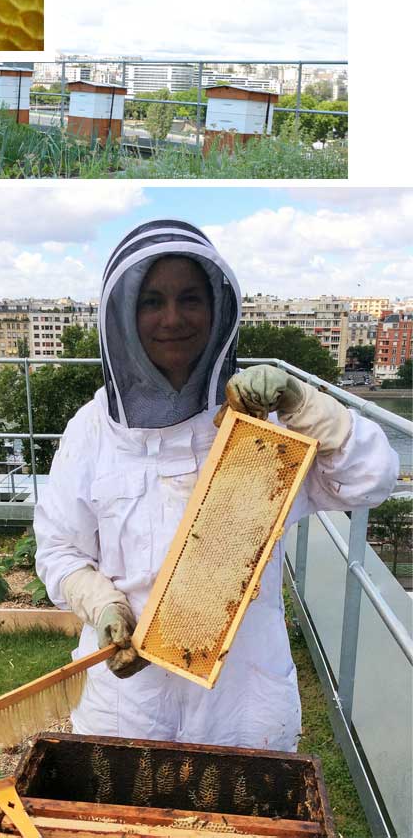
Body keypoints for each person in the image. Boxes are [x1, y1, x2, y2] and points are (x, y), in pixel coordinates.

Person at [34, 219, 396, 750]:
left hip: (241, 694)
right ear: (125, 316)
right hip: (130, 699)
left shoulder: (262, 421)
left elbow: (372, 478)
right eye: (152, 301)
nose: (172, 318)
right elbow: (60, 550)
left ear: (217, 309)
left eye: (190, 299)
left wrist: (304, 405)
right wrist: (101, 604)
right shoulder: (91, 431)